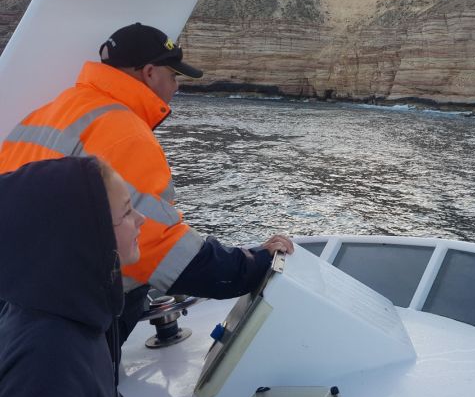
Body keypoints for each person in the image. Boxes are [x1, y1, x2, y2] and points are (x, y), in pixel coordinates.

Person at [0, 22, 294, 344]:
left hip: (16, 295)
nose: (176, 88)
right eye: (174, 76)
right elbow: (159, 246)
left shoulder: (52, 109)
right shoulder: (125, 132)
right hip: (61, 317)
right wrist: (252, 264)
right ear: (150, 73)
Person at [0, 156, 144, 397]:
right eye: (127, 211)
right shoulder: (48, 362)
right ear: (88, 236)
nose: (141, 219)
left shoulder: (77, 312)